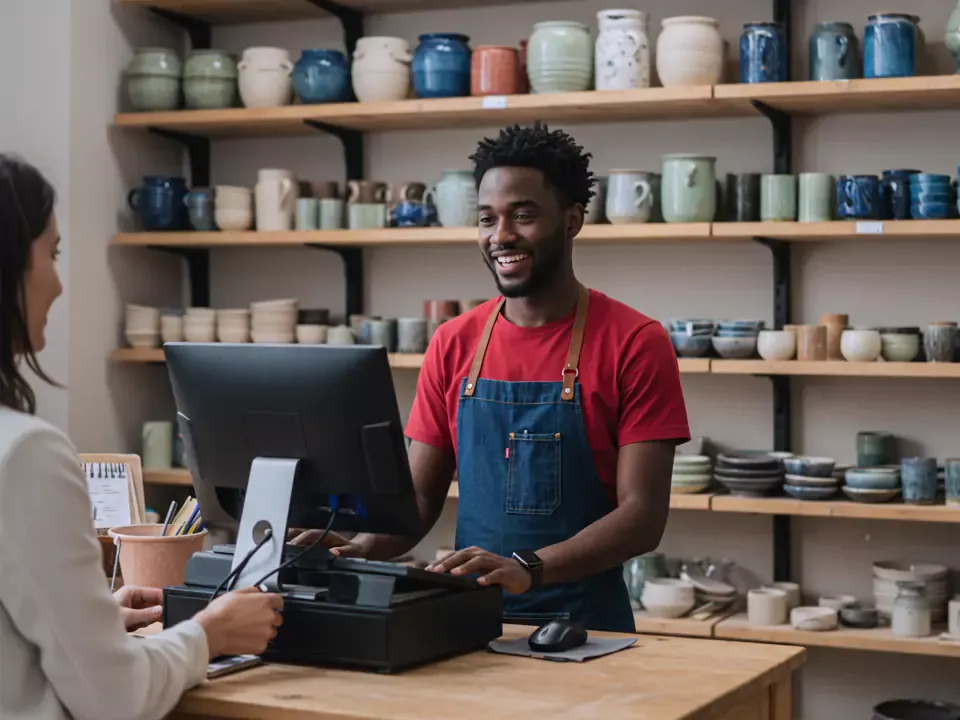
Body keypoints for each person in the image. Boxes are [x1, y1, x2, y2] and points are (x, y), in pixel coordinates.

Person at [294, 122, 690, 632]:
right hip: (470, 620)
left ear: (572, 221)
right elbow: (417, 499)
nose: (501, 236)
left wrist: (528, 569)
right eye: (487, 218)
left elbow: (642, 517)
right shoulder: (454, 342)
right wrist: (357, 546)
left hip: (587, 630)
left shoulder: (635, 342)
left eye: (522, 216)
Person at [0, 154, 284, 720]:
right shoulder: (25, 453)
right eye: (51, 255)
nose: (58, 285)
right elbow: (115, 698)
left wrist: (91, 618)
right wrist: (211, 632)